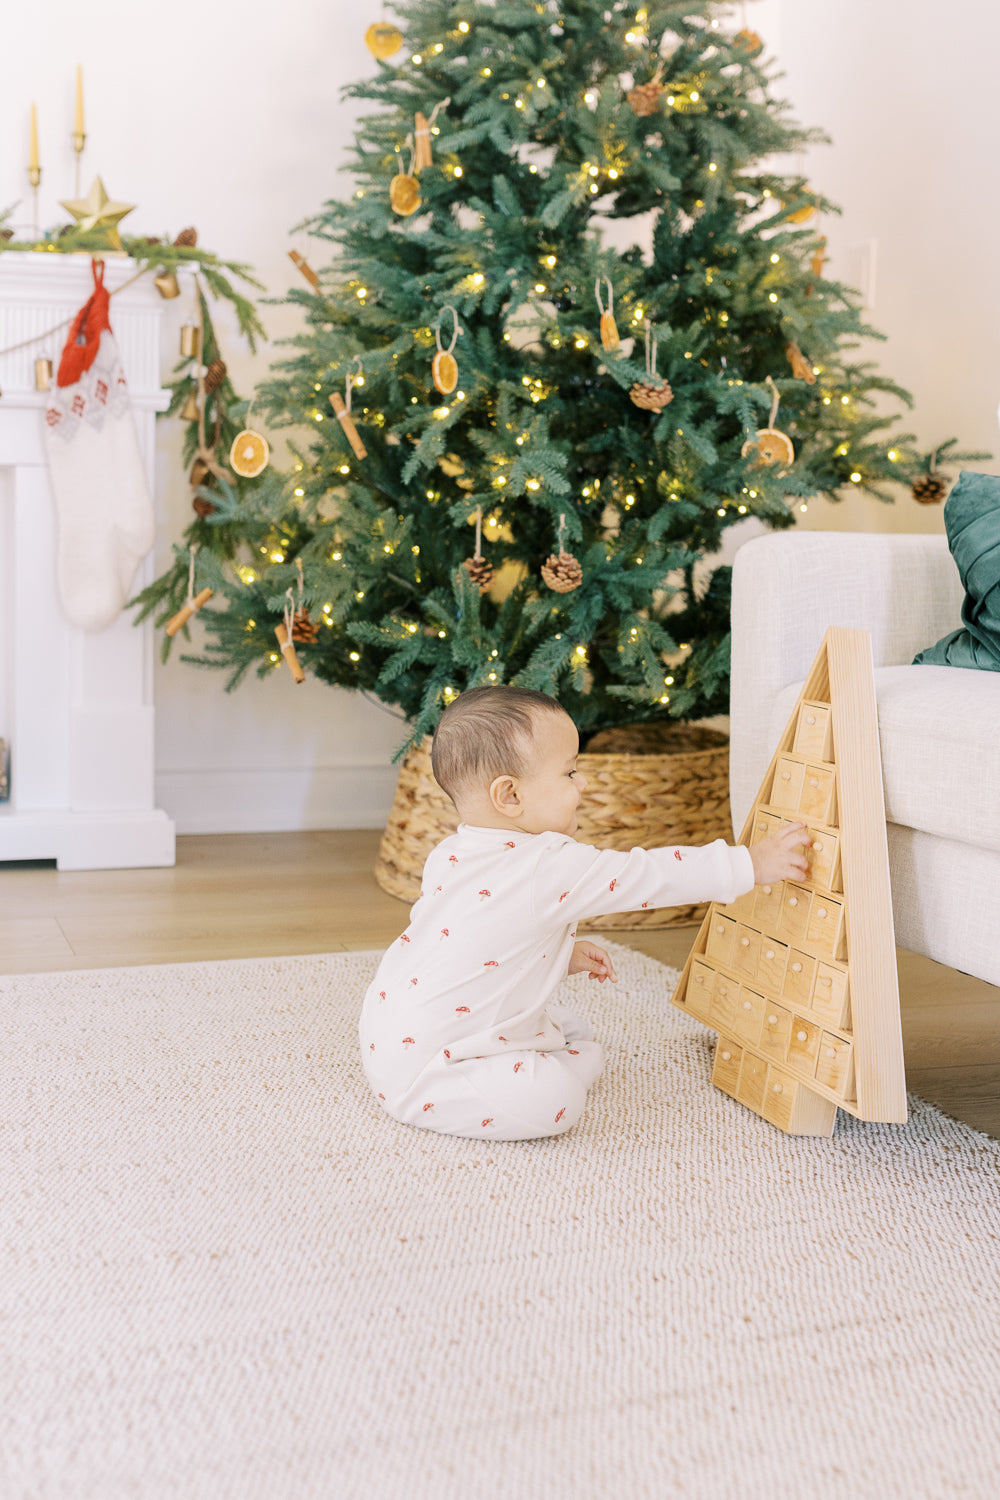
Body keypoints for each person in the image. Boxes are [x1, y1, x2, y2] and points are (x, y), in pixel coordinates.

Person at [360, 685, 809, 1141]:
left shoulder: (452, 852)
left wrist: (561, 951)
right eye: (570, 773)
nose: (584, 784)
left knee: (566, 1025)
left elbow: (471, 938)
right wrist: (750, 864)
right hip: (432, 1075)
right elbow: (647, 876)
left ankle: (539, 1052)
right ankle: (539, 1071)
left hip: (389, 1034)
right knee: (557, 1102)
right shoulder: (549, 862)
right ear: (510, 795)